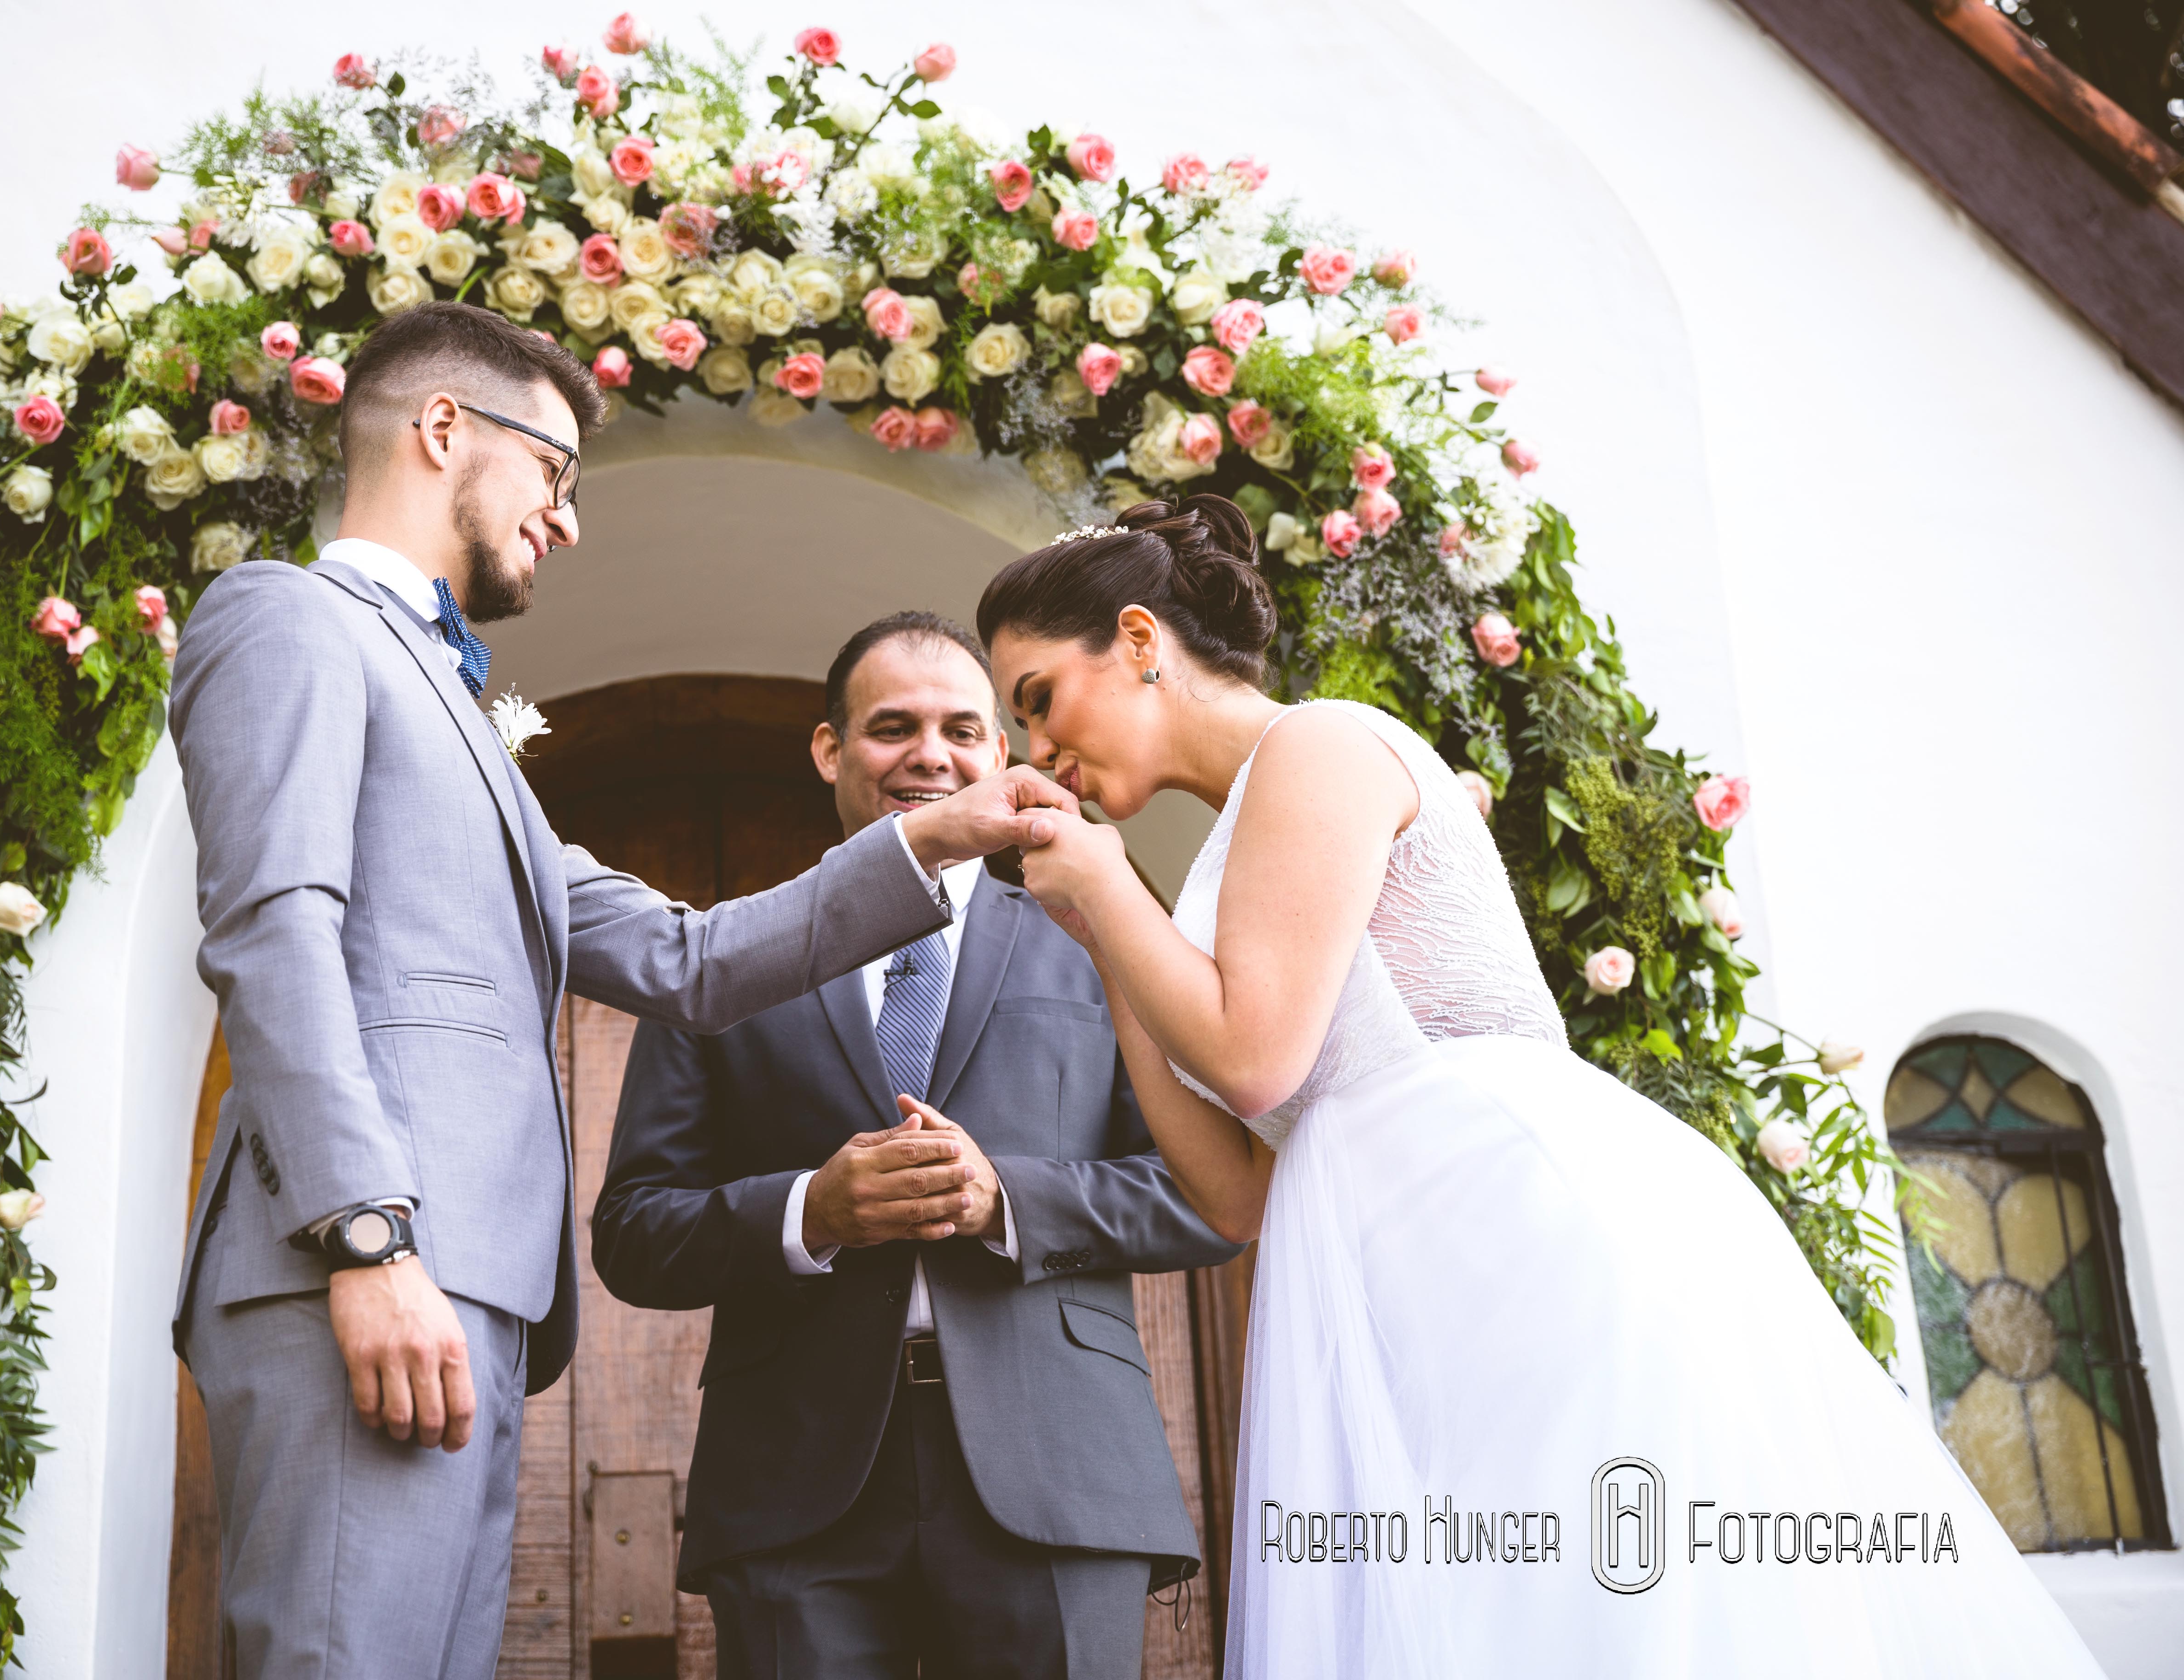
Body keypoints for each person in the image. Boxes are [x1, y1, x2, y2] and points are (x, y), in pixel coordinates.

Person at [977, 496, 2108, 1677]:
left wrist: (1111, 892)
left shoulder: (1316, 748)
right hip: (1372, 1271)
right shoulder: (1216, 856)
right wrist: (1106, 934)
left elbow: (1256, 1054)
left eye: (1040, 699)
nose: (1035, 749)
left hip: (1506, 1229)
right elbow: (1234, 1198)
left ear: (1144, 642)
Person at [167, 303, 1073, 1678]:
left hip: (466, 1296)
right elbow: (274, 935)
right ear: (443, 429)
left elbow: (685, 961)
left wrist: (933, 839)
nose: (568, 521)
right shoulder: (289, 620)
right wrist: (364, 1238)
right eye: (556, 475)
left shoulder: (453, 711)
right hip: (366, 1267)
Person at [594, 611, 1240, 1680]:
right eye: (892, 727)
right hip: (795, 1492)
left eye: (962, 730)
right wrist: (812, 1212)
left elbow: (1210, 1195)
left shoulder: (1109, 934)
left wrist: (1008, 1200)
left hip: (1062, 1474)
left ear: (1001, 754)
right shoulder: (723, 957)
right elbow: (632, 1231)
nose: (930, 755)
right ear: (829, 749)